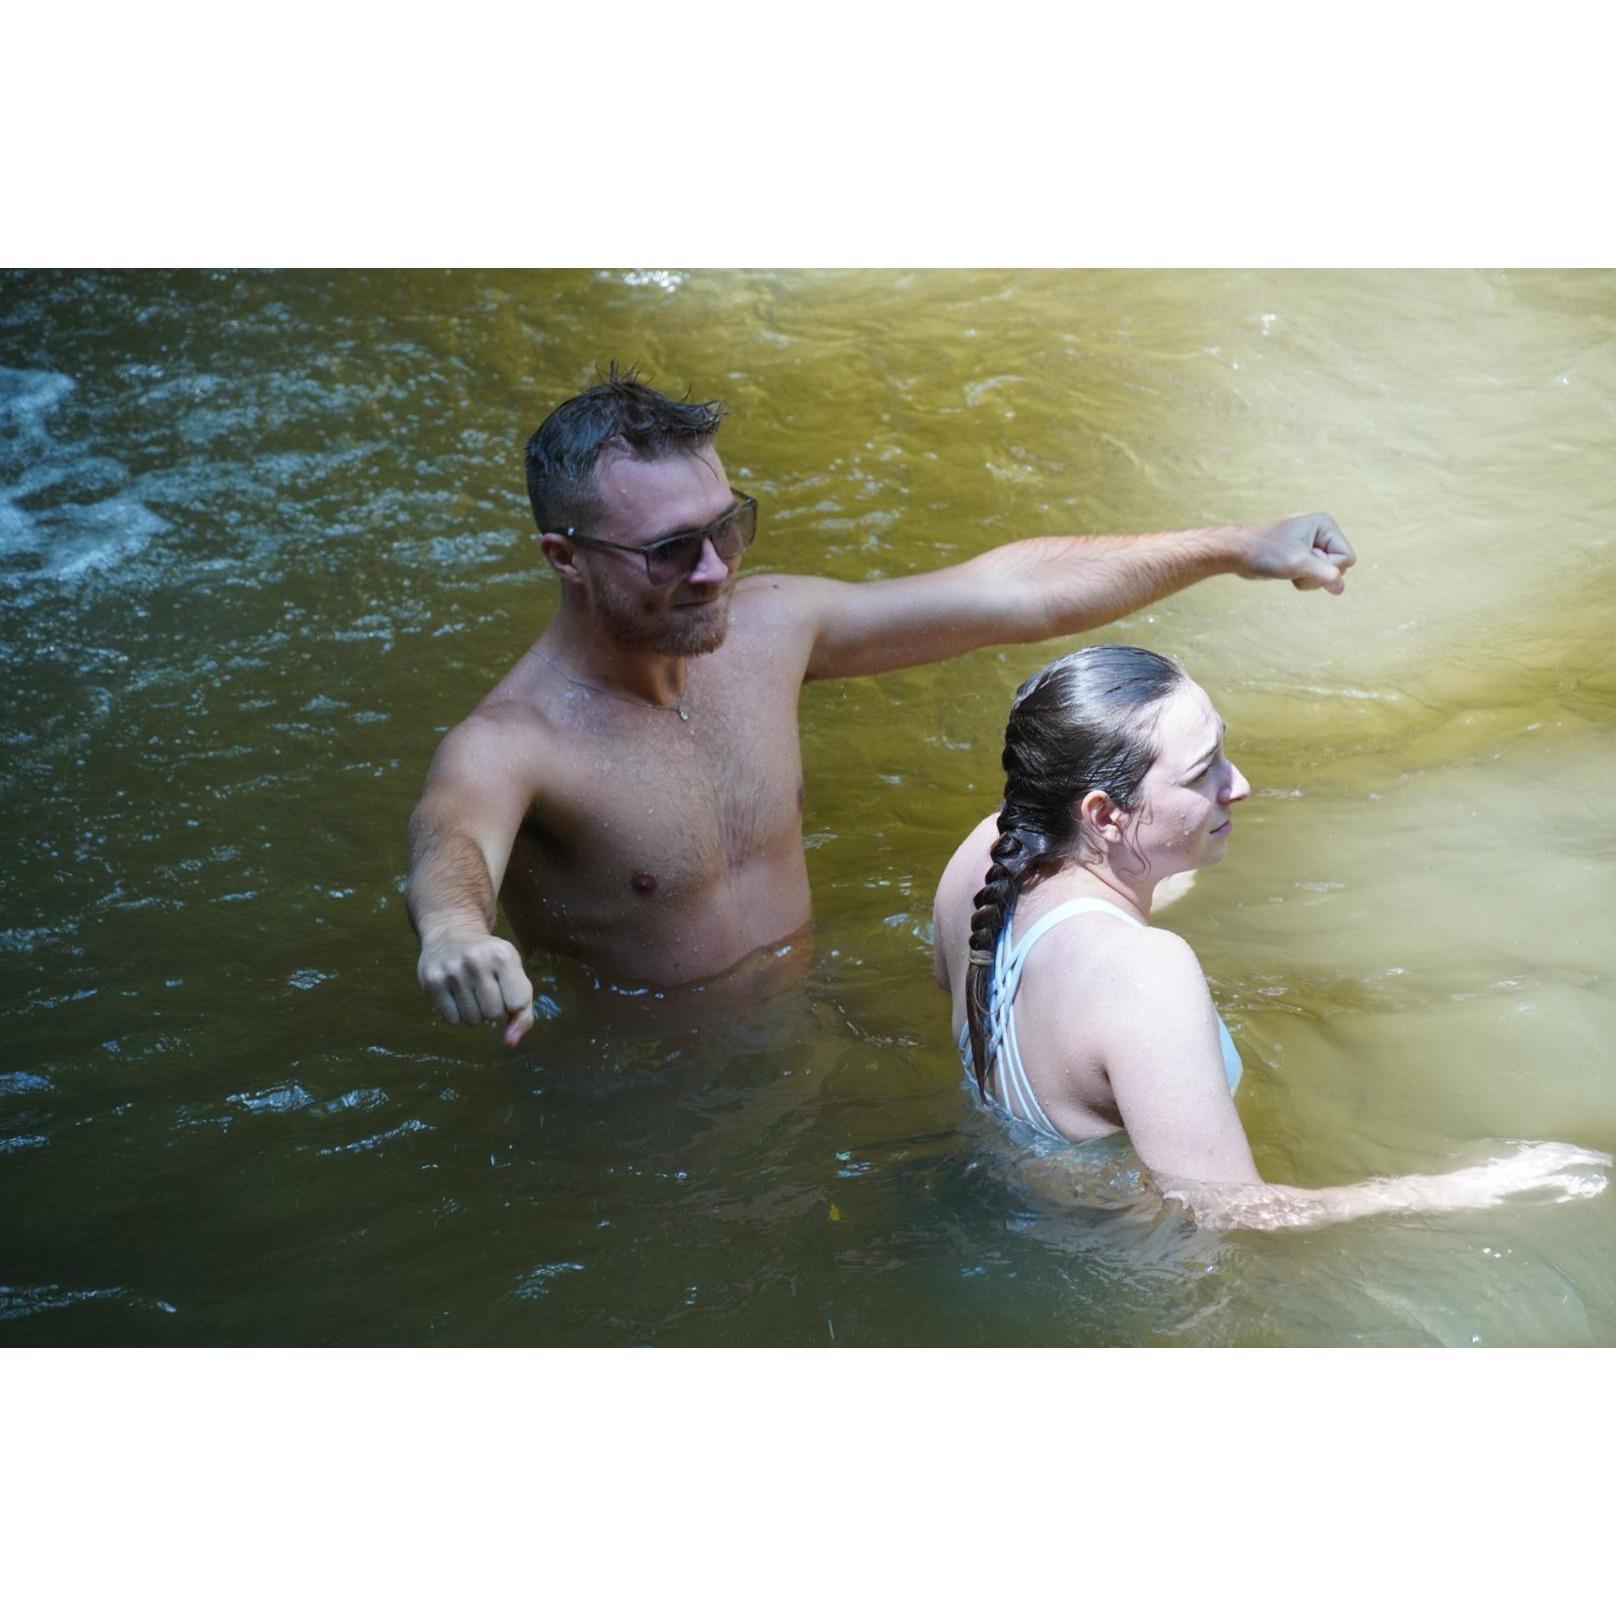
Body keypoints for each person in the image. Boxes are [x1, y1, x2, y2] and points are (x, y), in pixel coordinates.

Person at [408, 366, 1357, 1046]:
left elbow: (1011, 594)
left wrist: (1240, 545)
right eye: (669, 551)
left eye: (726, 528)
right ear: (564, 558)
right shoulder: (515, 741)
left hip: (811, 1031)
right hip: (649, 1102)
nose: (715, 571)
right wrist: (455, 933)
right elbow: (451, 841)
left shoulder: (770, 630)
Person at [930, 644, 1611, 1230]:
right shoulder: (1144, 975)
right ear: (1105, 815)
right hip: (1117, 1265)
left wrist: (1158, 881)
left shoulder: (986, 857)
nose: (1240, 785)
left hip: (1015, 1199)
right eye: (1203, 773)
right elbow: (1235, 1215)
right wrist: (1467, 1190)